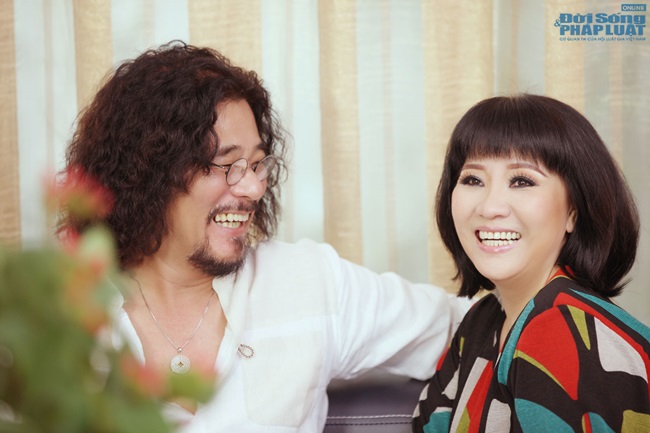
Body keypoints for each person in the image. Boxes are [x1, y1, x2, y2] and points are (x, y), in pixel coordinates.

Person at [59, 41, 469, 432]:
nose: (254, 188)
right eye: (228, 164)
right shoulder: (61, 315)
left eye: (257, 164)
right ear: (150, 174)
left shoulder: (309, 283)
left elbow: (463, 326)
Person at [412, 94, 650, 432]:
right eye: (472, 180)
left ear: (573, 211)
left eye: (522, 181)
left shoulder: (559, 331)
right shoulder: (482, 320)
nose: (490, 207)